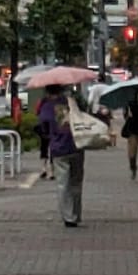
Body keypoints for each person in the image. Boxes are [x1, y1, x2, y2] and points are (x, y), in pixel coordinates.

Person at [47, 90, 83, 227]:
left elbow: (43, 125)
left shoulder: (47, 106)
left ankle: (69, 216)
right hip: (77, 145)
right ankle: (77, 213)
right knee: (76, 182)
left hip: (58, 148)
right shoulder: (74, 102)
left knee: (63, 184)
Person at [34, 88, 57, 174]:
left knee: (44, 146)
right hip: (55, 126)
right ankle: (52, 170)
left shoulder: (43, 101)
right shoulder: (60, 101)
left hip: (43, 125)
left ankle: (43, 168)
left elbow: (37, 112)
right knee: (53, 147)